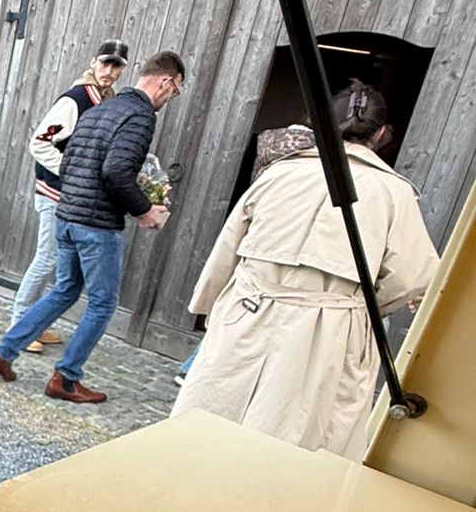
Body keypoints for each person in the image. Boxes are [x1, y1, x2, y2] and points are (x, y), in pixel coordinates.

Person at [170, 80, 438, 458]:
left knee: (213, 414)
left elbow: (228, 246)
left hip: (249, 309)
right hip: (328, 328)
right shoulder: (392, 192)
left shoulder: (280, 173)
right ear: (380, 134)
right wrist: (361, 306)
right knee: (294, 435)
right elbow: (412, 278)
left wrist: (211, 305)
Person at [0, 51, 186, 403]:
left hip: (67, 216)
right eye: (176, 90)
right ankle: (66, 378)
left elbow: (72, 160)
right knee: (102, 303)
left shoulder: (100, 109)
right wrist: (144, 211)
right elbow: (115, 171)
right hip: (97, 225)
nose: (173, 96)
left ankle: (5, 351)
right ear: (166, 82)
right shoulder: (140, 116)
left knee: (65, 289)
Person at [8, 38, 129, 354]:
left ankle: (34, 324)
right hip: (55, 192)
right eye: (105, 63)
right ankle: (18, 324)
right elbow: (39, 143)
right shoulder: (77, 99)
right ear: (93, 62)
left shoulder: (106, 100)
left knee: (63, 271)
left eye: (116, 66)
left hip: (73, 198)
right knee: (46, 258)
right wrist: (74, 171)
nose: (109, 70)